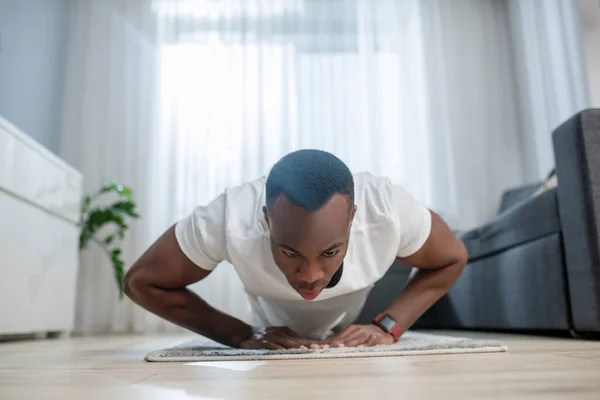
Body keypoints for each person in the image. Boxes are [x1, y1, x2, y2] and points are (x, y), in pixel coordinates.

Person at [124, 149, 467, 350]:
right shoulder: (230, 217)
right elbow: (141, 282)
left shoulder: (387, 208)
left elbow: (452, 258)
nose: (311, 277)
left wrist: (387, 326)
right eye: (290, 253)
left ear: (353, 219)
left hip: (355, 316)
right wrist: (242, 334)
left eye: (329, 252)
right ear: (265, 220)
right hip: (270, 325)